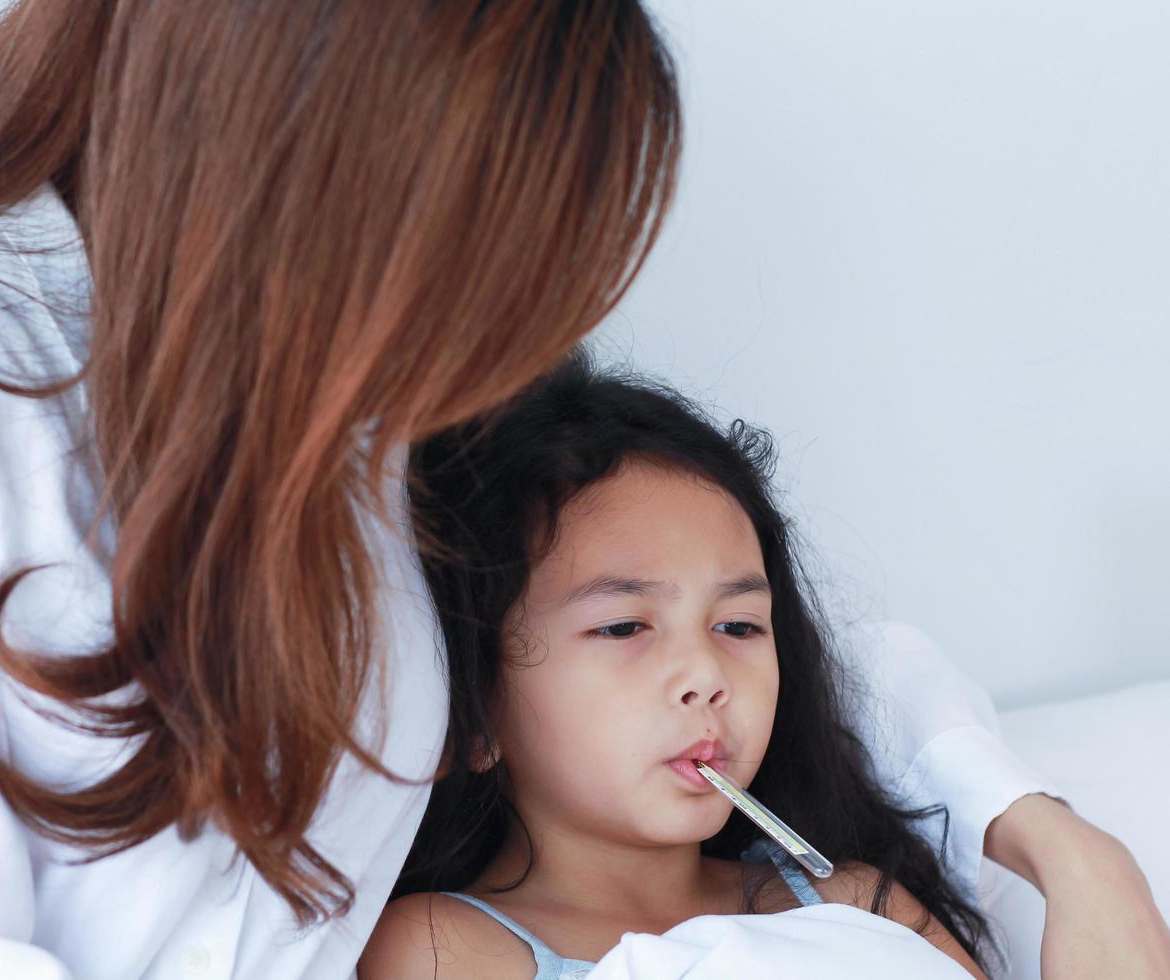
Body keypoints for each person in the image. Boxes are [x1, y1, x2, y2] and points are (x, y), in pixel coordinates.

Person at [0, 2, 1163, 978]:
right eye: (478, 269)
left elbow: (744, 593)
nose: (498, 343)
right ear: (310, 163)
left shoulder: (373, 408)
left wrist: (1034, 829)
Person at [363, 348, 998, 977]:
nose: (707, 677)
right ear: (477, 710)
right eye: (623, 626)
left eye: (738, 626)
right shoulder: (442, 946)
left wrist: (1055, 847)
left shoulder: (856, 903)